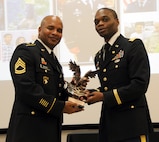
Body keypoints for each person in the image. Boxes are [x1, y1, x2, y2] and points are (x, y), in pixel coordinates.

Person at [6, 15, 84, 142]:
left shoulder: (53, 59)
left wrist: (76, 96)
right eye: (50, 28)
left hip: (50, 129)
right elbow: (26, 89)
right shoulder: (26, 51)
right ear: (39, 30)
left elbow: (56, 91)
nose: (55, 33)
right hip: (28, 132)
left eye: (59, 30)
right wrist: (59, 107)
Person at [85, 8, 153, 142]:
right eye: (96, 22)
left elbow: (139, 85)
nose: (100, 24)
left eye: (105, 19)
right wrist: (92, 93)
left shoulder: (132, 46)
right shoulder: (100, 55)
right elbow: (110, 85)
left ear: (117, 21)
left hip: (132, 125)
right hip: (109, 126)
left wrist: (103, 96)